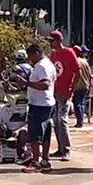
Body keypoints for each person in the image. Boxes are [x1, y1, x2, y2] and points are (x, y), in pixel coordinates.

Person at [19, 43, 57, 173]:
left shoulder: (41, 66)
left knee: (35, 134)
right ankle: (45, 160)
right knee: (46, 133)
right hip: (47, 103)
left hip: (39, 104)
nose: (30, 60)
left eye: (30, 56)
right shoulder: (48, 64)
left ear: (36, 53)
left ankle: (36, 161)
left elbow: (45, 84)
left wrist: (26, 83)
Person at [48, 30, 78, 162]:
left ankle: (66, 149)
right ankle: (60, 148)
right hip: (54, 91)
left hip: (65, 91)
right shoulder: (53, 55)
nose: (50, 44)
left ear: (59, 41)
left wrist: (71, 89)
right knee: (55, 120)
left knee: (62, 119)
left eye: (52, 41)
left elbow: (77, 72)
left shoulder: (69, 53)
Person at [73, 50, 92, 128]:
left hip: (77, 85)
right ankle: (81, 120)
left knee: (77, 103)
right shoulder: (85, 62)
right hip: (85, 84)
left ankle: (79, 121)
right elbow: (90, 74)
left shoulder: (75, 61)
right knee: (82, 103)